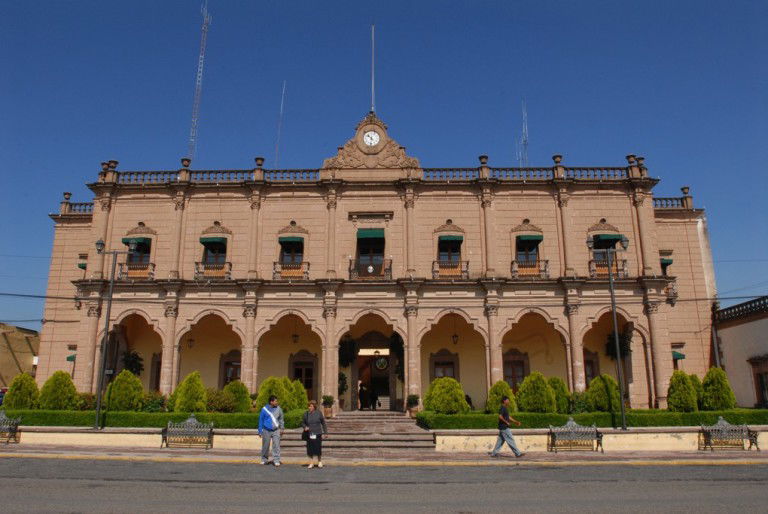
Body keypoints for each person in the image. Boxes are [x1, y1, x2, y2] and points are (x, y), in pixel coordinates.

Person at [258, 395, 284, 466]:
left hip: (276, 430)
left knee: (276, 445)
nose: (277, 402)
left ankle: (276, 460)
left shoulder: (279, 409)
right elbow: (261, 420)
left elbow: (281, 419)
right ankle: (264, 459)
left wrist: (282, 428)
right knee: (265, 445)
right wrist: (260, 431)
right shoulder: (264, 409)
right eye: (275, 401)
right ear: (271, 402)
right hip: (266, 430)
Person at [301, 400, 329, 469]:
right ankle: (311, 462)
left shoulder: (319, 413)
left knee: (318, 448)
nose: (309, 407)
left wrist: (325, 432)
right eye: (309, 406)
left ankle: (319, 462)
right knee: (310, 449)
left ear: (314, 407)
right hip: (310, 434)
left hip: (318, 433)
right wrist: (305, 427)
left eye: (311, 406)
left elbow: (323, 423)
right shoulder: (306, 414)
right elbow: (303, 423)